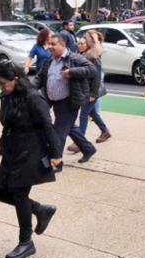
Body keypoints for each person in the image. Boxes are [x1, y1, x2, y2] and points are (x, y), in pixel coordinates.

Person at [0, 62, 59, 258]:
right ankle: (40, 209)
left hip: (31, 151)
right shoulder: (7, 96)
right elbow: (8, 124)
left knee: (19, 194)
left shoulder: (34, 98)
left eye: (2, 83)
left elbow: (48, 126)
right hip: (12, 149)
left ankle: (26, 242)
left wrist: (55, 154)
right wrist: (0, 144)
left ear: (16, 80)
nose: (0, 87)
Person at [36, 34, 98, 166]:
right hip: (54, 100)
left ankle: (54, 162)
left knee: (58, 133)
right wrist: (27, 88)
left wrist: (72, 72)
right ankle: (88, 149)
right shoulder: (49, 60)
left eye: (53, 44)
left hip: (70, 102)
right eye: (49, 44)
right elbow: (40, 77)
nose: (50, 47)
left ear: (62, 45)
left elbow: (92, 70)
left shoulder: (75, 58)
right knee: (69, 127)